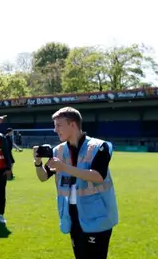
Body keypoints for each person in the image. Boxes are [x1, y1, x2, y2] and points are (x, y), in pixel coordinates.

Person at [34, 107, 118, 259]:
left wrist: (64, 167)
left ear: (72, 124)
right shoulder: (58, 150)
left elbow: (98, 176)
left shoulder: (100, 147)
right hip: (72, 215)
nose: (55, 129)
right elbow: (43, 177)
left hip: (97, 216)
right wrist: (38, 163)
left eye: (58, 125)